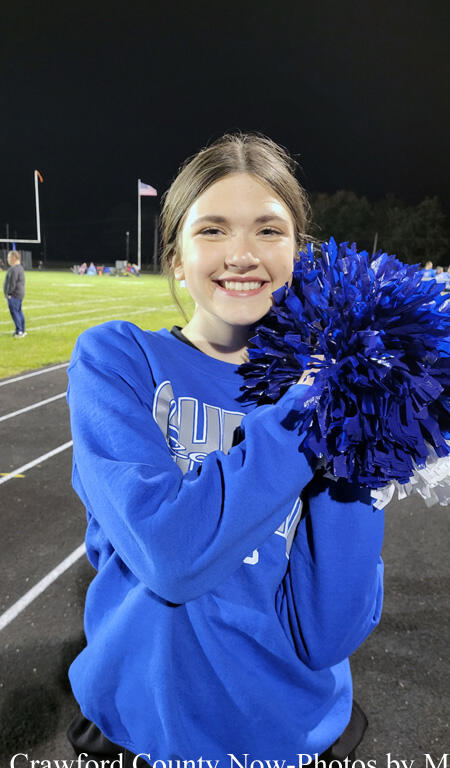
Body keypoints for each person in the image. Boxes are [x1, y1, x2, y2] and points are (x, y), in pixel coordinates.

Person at [65, 132, 384, 766]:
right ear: (177, 259)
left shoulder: (337, 390)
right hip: (146, 733)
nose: (241, 254)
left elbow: (328, 632)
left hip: (295, 736)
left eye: (269, 230)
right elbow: (171, 554)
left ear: (298, 256)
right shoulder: (118, 360)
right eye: (212, 230)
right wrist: (312, 407)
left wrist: (366, 447)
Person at [3, 249, 26, 337]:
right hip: (19, 294)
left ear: (14, 258)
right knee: (19, 311)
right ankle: (22, 330)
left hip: (14, 295)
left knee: (15, 313)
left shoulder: (14, 269)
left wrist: (9, 293)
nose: (8, 259)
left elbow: (12, 283)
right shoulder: (20, 268)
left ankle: (19, 331)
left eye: (9, 257)